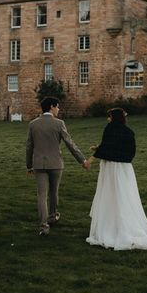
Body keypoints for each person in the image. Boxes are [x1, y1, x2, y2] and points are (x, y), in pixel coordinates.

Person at [84, 107, 147, 251]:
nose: (108, 119)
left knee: (110, 196)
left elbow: (107, 147)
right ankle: (126, 226)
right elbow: (124, 150)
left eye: (109, 116)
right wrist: (100, 148)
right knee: (125, 196)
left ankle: (111, 228)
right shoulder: (129, 132)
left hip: (111, 168)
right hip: (125, 170)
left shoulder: (110, 129)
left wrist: (90, 160)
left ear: (114, 118)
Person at [26, 97, 90, 236]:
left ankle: (44, 227)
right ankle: (53, 217)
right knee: (53, 192)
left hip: (38, 164)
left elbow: (29, 147)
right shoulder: (59, 123)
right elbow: (70, 144)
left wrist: (29, 165)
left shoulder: (33, 124)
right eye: (57, 107)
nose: (58, 109)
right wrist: (82, 160)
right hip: (55, 163)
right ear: (51, 107)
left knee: (41, 195)